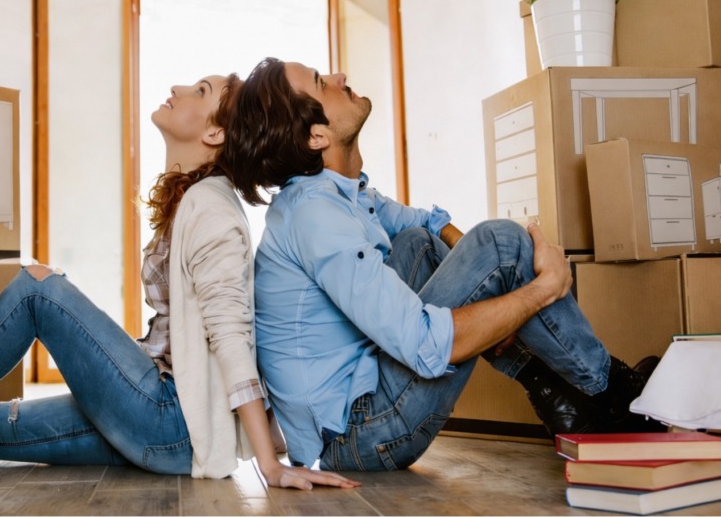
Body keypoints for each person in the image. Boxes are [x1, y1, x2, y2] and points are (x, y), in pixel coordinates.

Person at [0, 72, 359, 490]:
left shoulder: (212, 209)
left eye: (200, 91)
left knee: (38, 289)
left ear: (215, 133)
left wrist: (269, 464)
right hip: (159, 420)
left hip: (169, 419)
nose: (178, 87)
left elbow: (231, 337)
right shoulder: (194, 198)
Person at [220, 57, 660, 472]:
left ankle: (559, 398)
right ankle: (618, 393)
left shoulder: (340, 192)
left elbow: (422, 223)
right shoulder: (317, 217)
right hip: (359, 433)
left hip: (364, 393)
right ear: (316, 137)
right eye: (322, 82)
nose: (339, 77)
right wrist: (543, 287)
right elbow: (426, 344)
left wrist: (500, 297)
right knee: (501, 243)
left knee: (419, 244)